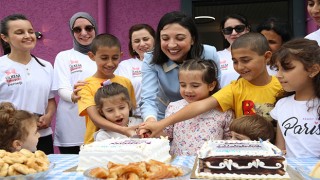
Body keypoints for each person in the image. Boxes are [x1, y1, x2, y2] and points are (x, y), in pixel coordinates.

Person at [140, 33, 282, 137]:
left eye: (245, 60)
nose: (239, 67)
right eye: (235, 61)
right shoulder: (235, 88)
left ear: (267, 56)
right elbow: (199, 106)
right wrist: (160, 124)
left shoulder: (282, 87)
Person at [140, 11, 221, 127]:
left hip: (203, 114)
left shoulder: (208, 53)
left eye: (180, 38)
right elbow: (148, 98)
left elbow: (217, 89)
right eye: (165, 38)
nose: (172, 45)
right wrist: (151, 121)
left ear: (192, 39)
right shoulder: (151, 58)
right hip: (165, 116)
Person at [0, 14, 56, 154]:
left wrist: (48, 116)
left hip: (41, 137)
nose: (28, 36)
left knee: (45, 174)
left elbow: (50, 100)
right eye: (20, 32)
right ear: (4, 37)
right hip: (9, 140)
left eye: (30, 31)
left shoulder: (46, 66)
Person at [162, 59, 234, 156]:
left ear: (211, 85)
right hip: (180, 166)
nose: (187, 90)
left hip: (210, 166)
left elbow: (229, 141)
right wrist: (151, 133)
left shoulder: (224, 111)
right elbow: (166, 136)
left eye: (195, 86)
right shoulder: (174, 107)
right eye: (183, 85)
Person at [77, 33, 137, 144]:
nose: (110, 63)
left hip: (126, 145)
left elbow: (131, 111)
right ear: (92, 56)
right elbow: (95, 118)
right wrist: (124, 130)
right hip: (94, 146)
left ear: (121, 55)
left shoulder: (126, 82)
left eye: (115, 58)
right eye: (104, 58)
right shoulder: (85, 86)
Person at [52, 12, 97, 154]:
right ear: (72, 32)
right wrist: (73, 95)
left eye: (88, 28)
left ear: (95, 29)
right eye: (77, 29)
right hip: (71, 125)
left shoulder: (103, 55)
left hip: (99, 125)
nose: (84, 33)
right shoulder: (64, 56)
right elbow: (62, 88)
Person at [270, 38, 320, 158]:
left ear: (313, 70)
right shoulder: (282, 105)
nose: (278, 75)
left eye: (287, 68)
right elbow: (281, 150)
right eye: (277, 68)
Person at [115, 24, 155, 125]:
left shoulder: (164, 63)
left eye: (146, 39)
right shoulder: (125, 66)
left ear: (155, 40)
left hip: (162, 118)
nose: (142, 44)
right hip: (135, 120)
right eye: (137, 41)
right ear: (132, 45)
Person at [218, 14, 250, 87]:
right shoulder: (216, 56)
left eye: (239, 28)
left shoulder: (259, 53)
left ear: (247, 30)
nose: (234, 33)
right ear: (224, 34)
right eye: (228, 30)